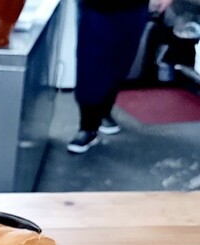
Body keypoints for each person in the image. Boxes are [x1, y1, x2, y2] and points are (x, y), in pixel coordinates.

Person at [68, 0, 174, 154]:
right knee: (91, 61)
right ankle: (88, 126)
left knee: (122, 61)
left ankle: (104, 110)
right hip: (97, 7)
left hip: (134, 7)